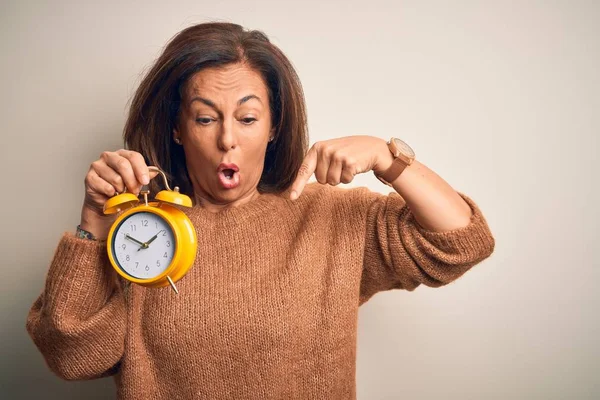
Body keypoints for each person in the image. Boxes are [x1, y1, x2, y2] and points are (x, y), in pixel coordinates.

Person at [26, 21, 495, 399]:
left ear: (273, 127)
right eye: (206, 118)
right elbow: (72, 357)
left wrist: (387, 158)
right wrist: (93, 222)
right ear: (177, 129)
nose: (228, 138)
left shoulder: (330, 218)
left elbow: (463, 242)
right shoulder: (141, 232)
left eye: (247, 118)